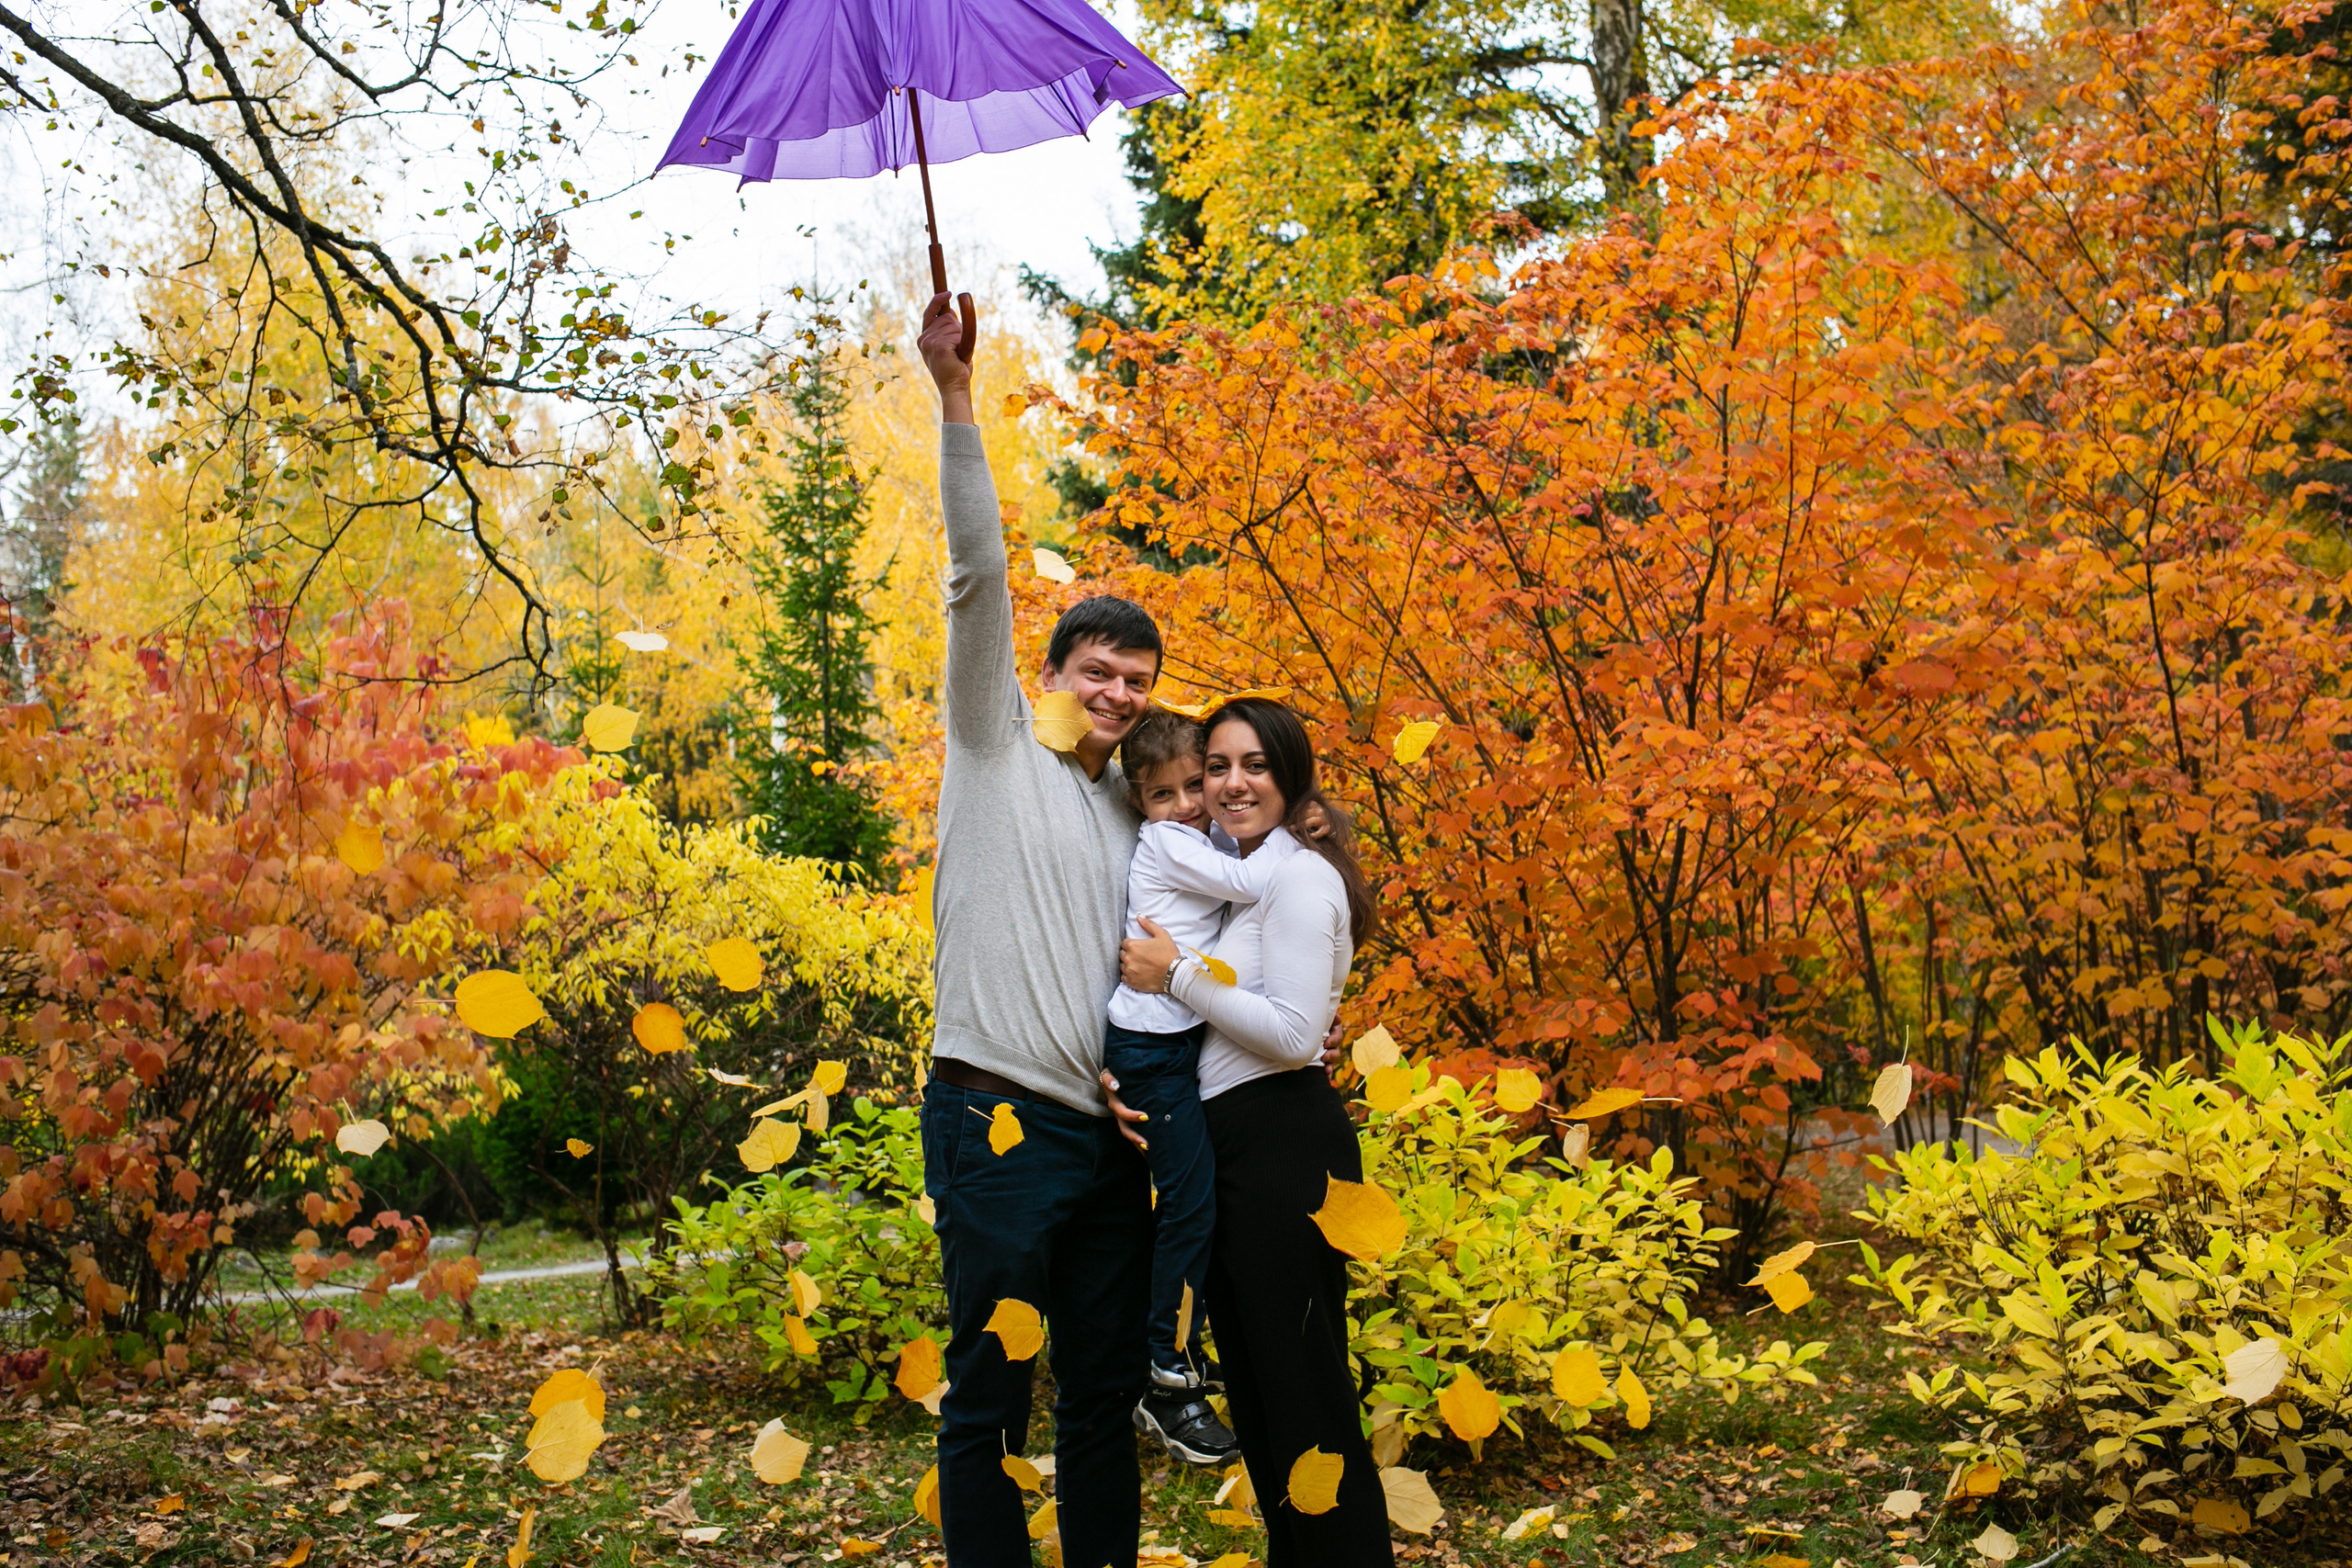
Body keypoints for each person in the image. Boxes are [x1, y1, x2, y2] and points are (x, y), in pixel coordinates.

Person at [914, 290, 1161, 1568]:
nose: (1116, 693)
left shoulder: (1136, 817)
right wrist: (958, 392)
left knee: (1103, 1400)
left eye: (1136, 680)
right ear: (1054, 671)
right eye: (1097, 670)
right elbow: (977, 577)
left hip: (1103, 1146)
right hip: (995, 1119)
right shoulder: (993, 739)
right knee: (991, 1400)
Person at [1110, 697, 1395, 1568]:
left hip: (1282, 1146)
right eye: (1217, 767)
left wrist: (1176, 973)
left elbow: (1294, 1035)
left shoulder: (1297, 876)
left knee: (1304, 1396)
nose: (1231, 785)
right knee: (1268, 1396)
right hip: (1233, 1139)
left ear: (1291, 774)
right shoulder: (1242, 871)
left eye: (1254, 766)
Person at [1102, 710, 1285, 1466]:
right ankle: (1164, 1364)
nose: (1183, 803)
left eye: (1191, 785)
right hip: (1151, 1050)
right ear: (1139, 803)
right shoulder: (1170, 842)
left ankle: (1178, 1344)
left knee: (1198, 1200)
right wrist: (1306, 835)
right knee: (1189, 1201)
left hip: (1174, 1043)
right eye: (1160, 793)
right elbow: (1249, 883)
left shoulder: (1197, 832)